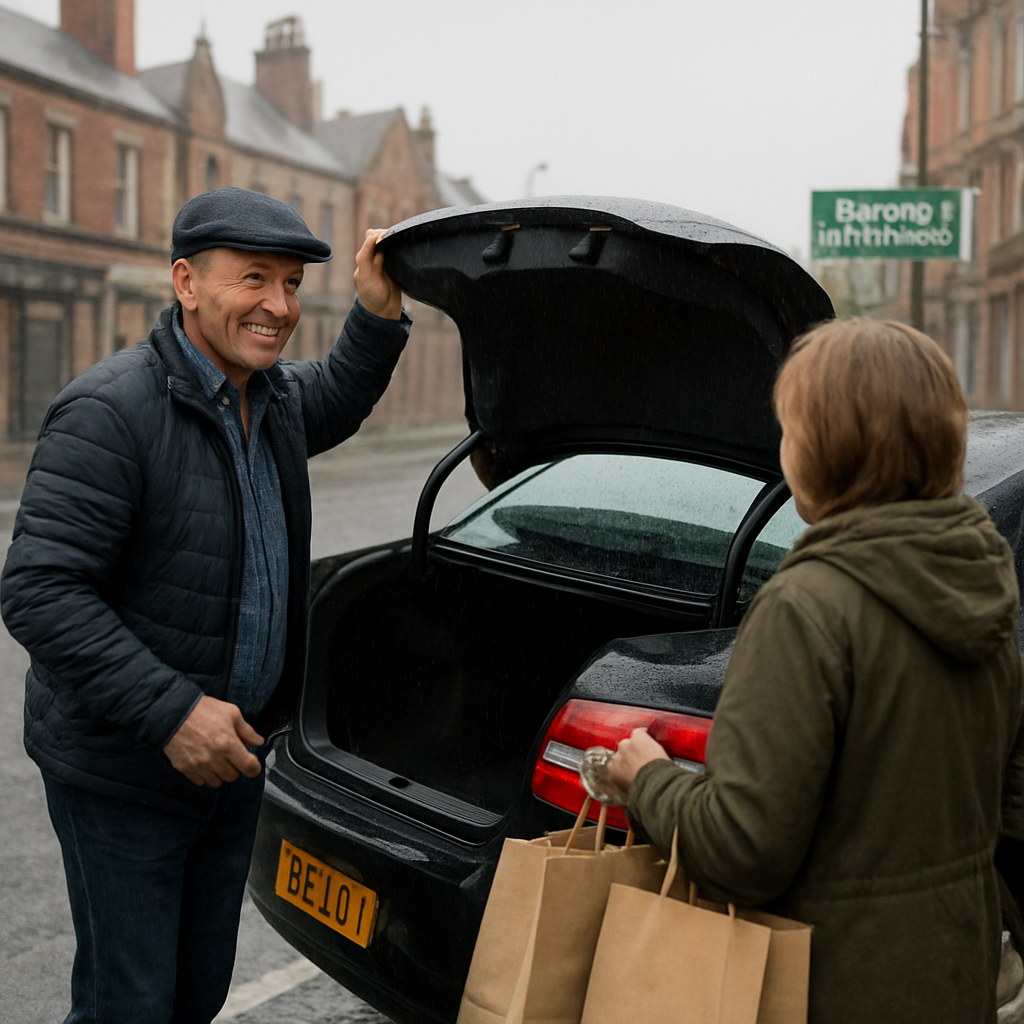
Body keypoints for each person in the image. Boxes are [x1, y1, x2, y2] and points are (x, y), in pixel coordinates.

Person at [0, 187, 410, 1023]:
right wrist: (176, 713)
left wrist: (375, 311)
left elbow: (336, 389)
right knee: (131, 1004)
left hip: (233, 764)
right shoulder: (110, 411)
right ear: (186, 282)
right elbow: (38, 590)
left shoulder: (276, 400)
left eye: (292, 284)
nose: (278, 305)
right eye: (253, 278)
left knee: (194, 996)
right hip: (126, 769)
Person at [606, 318, 1024, 1024]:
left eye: (792, 427)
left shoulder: (806, 607)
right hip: (961, 971)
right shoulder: (989, 591)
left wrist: (645, 780)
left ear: (827, 450)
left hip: (832, 985)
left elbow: (742, 850)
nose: (783, 445)